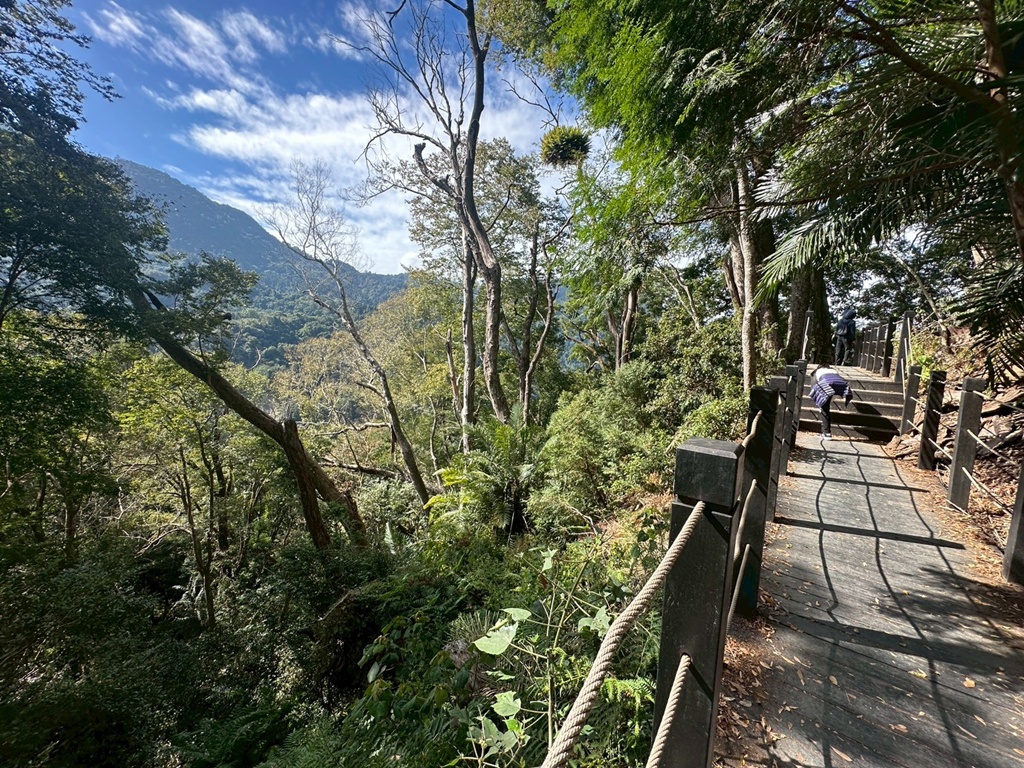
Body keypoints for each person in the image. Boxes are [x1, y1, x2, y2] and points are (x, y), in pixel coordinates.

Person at [810, 366, 853, 439]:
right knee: (825, 405)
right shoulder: (833, 370)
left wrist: (820, 403)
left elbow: (814, 387)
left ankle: (826, 433)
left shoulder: (816, 372)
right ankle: (826, 432)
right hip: (842, 384)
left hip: (826, 383)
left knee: (824, 408)